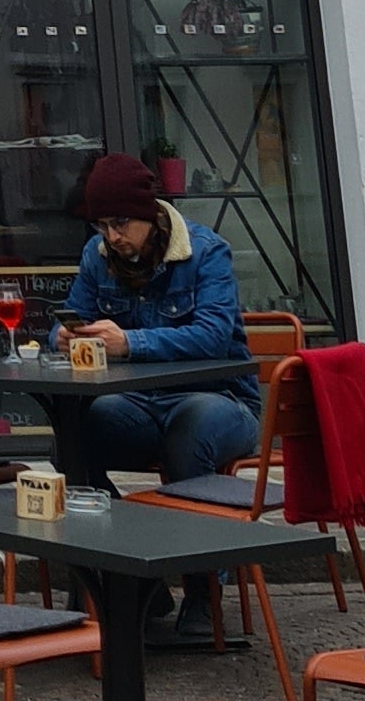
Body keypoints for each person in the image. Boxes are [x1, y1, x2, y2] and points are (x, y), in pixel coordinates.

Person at [57, 151, 263, 487]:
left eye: (121, 222)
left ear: (148, 214)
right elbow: (71, 315)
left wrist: (129, 343)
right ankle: (111, 520)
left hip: (220, 397)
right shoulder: (97, 255)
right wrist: (64, 336)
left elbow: (213, 337)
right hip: (138, 401)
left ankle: (191, 522)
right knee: (74, 434)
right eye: (102, 225)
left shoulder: (206, 251)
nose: (112, 236)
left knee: (187, 436)